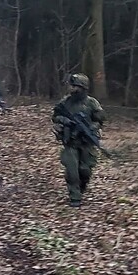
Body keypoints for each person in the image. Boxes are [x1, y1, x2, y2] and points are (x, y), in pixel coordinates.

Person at [51, 73, 106, 207]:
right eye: (72, 86)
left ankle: (80, 189)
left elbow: (100, 119)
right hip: (71, 142)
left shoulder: (92, 103)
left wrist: (92, 127)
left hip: (87, 142)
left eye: (76, 86)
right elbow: (55, 116)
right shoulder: (65, 102)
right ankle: (75, 196)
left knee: (85, 170)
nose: (73, 89)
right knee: (72, 170)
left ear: (83, 88)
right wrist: (64, 120)